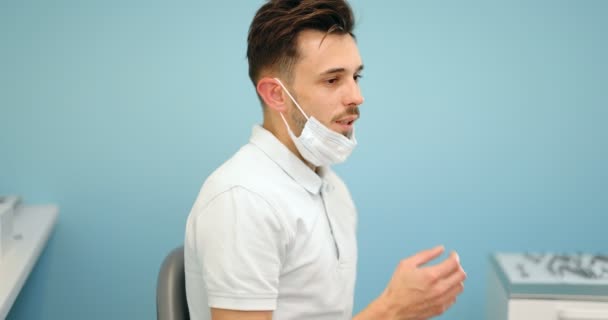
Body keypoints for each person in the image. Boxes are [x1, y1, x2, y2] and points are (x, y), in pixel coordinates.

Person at [184, 0, 467, 319]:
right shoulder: (243, 200)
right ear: (276, 94)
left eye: (356, 77)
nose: (356, 97)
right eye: (333, 80)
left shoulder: (332, 190)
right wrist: (390, 311)